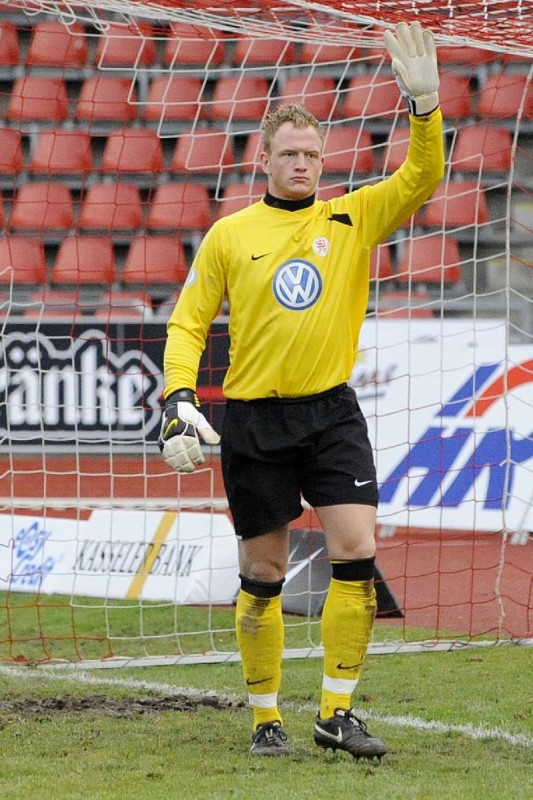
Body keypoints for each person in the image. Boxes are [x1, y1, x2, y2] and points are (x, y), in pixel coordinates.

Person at [159, 22, 444, 759]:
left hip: (330, 412)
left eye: (312, 155)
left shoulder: (351, 216)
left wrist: (424, 108)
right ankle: (265, 718)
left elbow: (421, 177)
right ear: (265, 158)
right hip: (254, 419)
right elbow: (188, 322)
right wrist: (178, 397)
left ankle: (336, 713)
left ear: (323, 160)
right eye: (288, 153)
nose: (301, 165)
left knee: (357, 548)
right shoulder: (230, 234)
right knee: (263, 572)